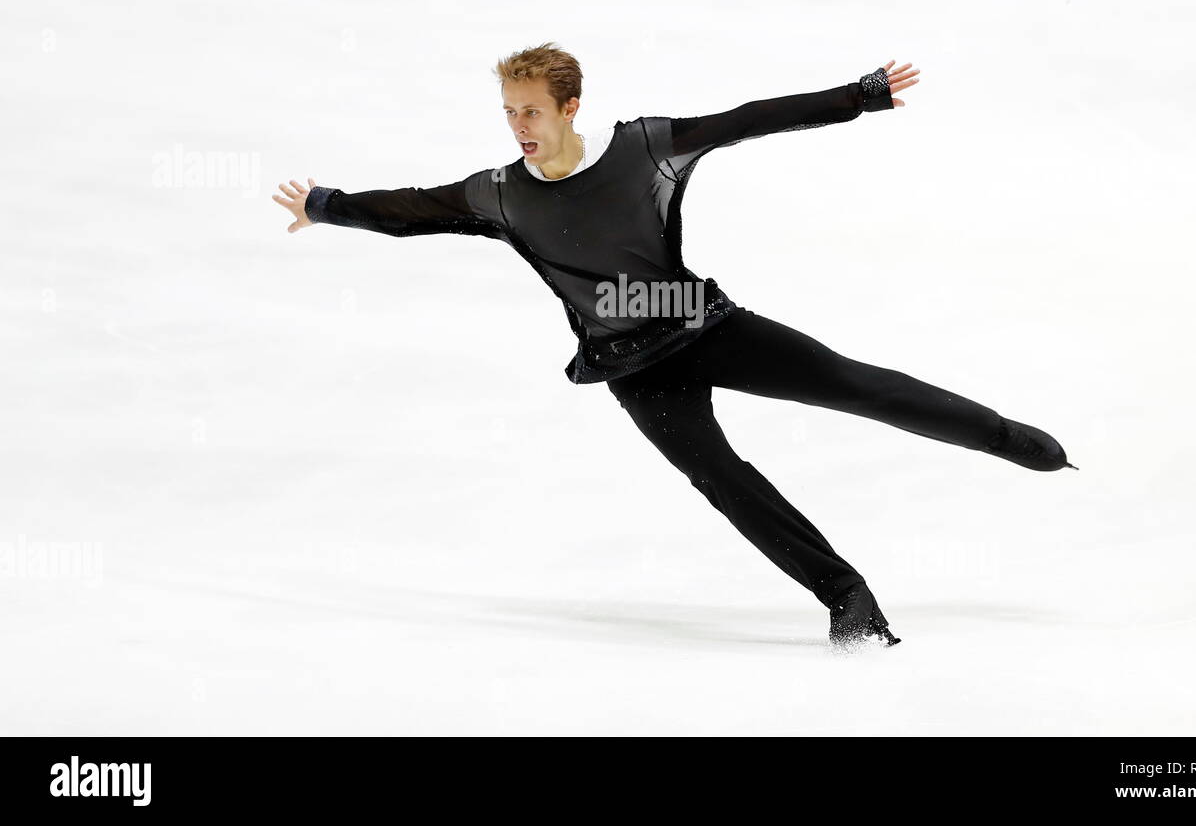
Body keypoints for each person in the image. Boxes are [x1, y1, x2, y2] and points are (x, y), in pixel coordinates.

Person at [273, 42, 1077, 650]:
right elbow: (412, 210)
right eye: (509, 111)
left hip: (707, 328)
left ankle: (1018, 443)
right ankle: (848, 600)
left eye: (531, 110)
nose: (518, 126)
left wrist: (857, 96)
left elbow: (748, 120)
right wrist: (327, 203)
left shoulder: (646, 149)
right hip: (634, 371)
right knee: (723, 479)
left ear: (569, 106)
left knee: (855, 384)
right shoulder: (500, 196)